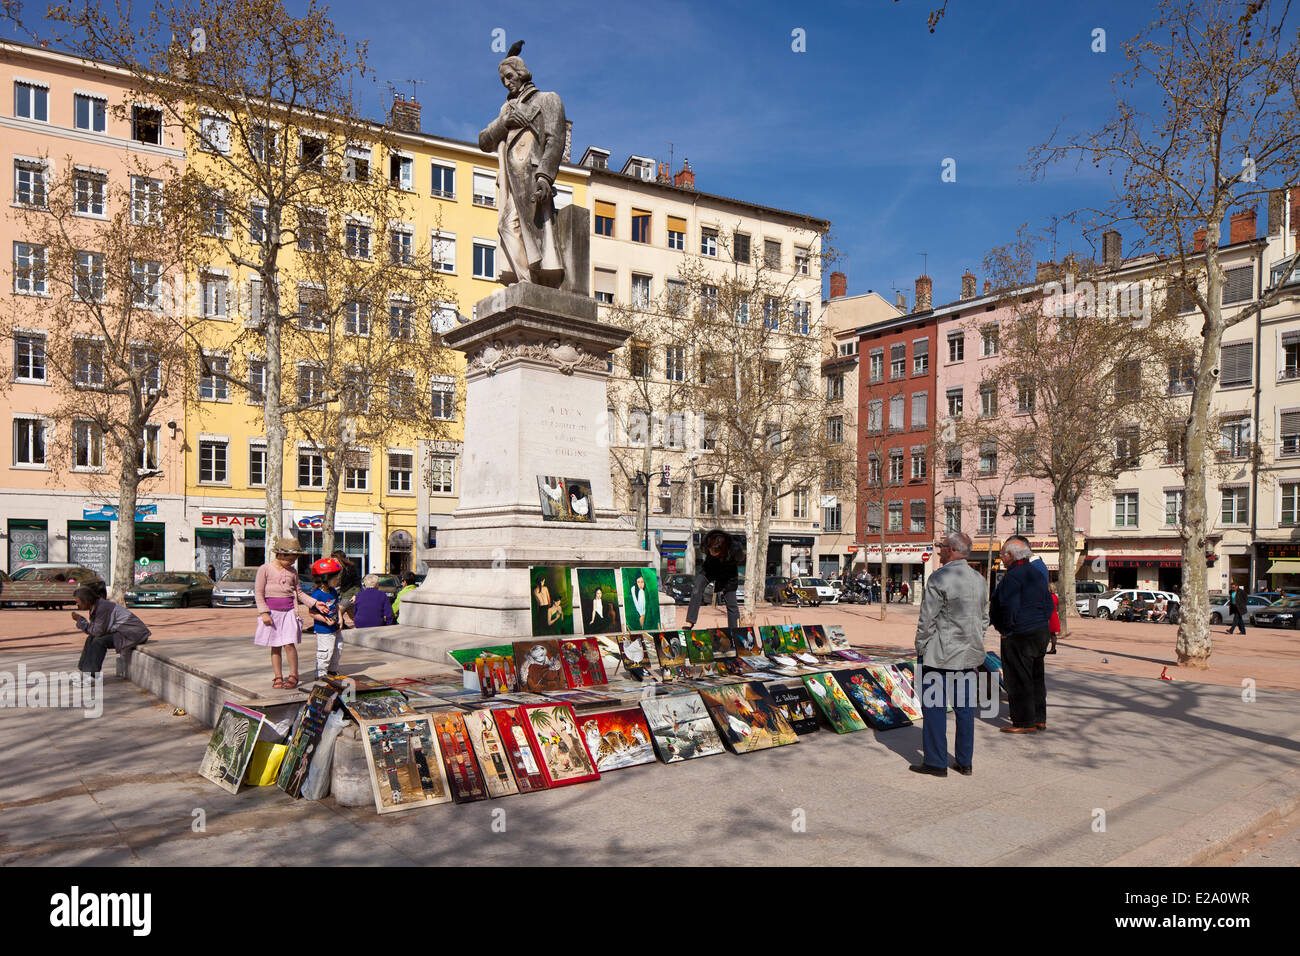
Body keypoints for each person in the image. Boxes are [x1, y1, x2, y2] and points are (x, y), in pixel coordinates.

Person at [476, 44, 567, 287]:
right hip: (512, 183)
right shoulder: (507, 110)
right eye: (502, 79)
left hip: (531, 177)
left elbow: (555, 140)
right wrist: (503, 123)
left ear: (522, 73)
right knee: (506, 226)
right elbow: (484, 141)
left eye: (509, 76)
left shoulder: (548, 100)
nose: (506, 83)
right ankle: (526, 280)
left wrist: (545, 176)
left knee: (522, 228)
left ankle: (531, 280)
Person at [910, 532, 989, 777]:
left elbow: (927, 620)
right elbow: (984, 619)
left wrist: (921, 647)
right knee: (965, 710)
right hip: (968, 655)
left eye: (942, 546)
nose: (939, 550)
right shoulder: (979, 579)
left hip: (940, 655)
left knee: (935, 709)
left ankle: (936, 762)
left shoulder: (939, 577)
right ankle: (965, 762)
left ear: (952, 550)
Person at [989, 537, 1053, 733]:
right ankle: (1039, 718)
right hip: (1040, 631)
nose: (1001, 559)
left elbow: (1010, 607)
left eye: (1002, 555)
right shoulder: (1037, 573)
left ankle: (1024, 722)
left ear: (1010, 555)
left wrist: (1006, 630)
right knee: (1036, 676)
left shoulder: (1013, 576)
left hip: (1020, 633)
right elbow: (1049, 604)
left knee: (1018, 678)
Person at [254, 537, 324, 690]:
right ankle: (278, 676)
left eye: (294, 560)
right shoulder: (264, 569)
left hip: (289, 613)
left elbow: (298, 593)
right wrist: (264, 613)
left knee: (289, 644)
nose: (292, 563)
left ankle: (293, 674)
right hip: (272, 614)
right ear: (280, 555)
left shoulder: (293, 572)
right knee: (275, 646)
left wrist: (314, 603)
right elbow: (258, 593)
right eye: (290, 560)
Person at [72, 587, 151, 677]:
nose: (77, 604)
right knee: (91, 638)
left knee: (99, 641)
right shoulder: (97, 606)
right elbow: (96, 630)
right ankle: (85, 670)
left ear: (87, 601)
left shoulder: (102, 608)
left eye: (78, 602)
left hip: (132, 634)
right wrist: (82, 622)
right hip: (122, 632)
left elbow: (97, 632)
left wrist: (81, 621)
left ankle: (91, 675)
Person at [686, 529, 742, 629]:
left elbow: (740, 559)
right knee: (696, 589)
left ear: (722, 549)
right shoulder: (707, 542)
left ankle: (734, 630)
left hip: (728, 573)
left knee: (731, 602)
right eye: (710, 550)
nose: (711, 553)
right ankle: (690, 621)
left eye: (714, 551)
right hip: (709, 569)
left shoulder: (734, 550)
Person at [309, 559, 344, 677]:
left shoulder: (333, 591)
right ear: (325, 578)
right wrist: (325, 620)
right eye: (336, 577)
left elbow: (337, 605)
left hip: (335, 626)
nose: (338, 580)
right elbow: (312, 613)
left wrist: (340, 618)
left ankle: (332, 669)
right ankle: (321, 673)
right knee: (325, 651)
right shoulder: (317, 594)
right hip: (323, 629)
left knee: (337, 648)